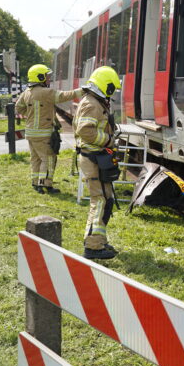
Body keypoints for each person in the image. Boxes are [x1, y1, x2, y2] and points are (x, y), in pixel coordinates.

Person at [74, 66, 122, 260]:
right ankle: (93, 247)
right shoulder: (92, 104)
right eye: (112, 88)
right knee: (100, 201)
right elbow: (85, 131)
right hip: (93, 158)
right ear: (105, 85)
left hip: (97, 157)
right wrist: (109, 140)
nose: (113, 93)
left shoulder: (94, 101)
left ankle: (98, 241)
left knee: (105, 199)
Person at [15, 64, 83, 194]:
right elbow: (65, 96)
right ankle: (45, 184)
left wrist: (31, 114)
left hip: (30, 132)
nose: (48, 79)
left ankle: (35, 182)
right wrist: (83, 91)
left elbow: (18, 108)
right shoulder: (46, 92)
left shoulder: (26, 93)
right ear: (40, 77)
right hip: (43, 133)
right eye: (46, 76)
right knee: (49, 158)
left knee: (35, 159)